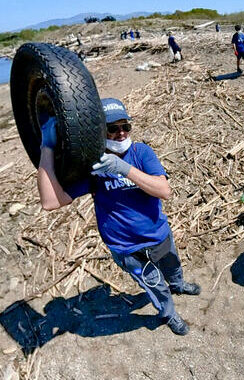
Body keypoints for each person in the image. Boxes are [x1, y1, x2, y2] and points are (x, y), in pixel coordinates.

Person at [36, 98, 200, 335]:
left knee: (172, 266)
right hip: (126, 248)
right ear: (100, 131)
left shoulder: (141, 153)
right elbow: (50, 201)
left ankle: (178, 284)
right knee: (154, 286)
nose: (121, 133)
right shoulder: (92, 166)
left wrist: (124, 169)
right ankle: (169, 314)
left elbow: (164, 190)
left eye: (125, 126)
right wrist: (47, 148)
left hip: (158, 235)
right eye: (112, 128)